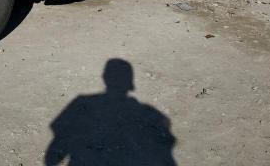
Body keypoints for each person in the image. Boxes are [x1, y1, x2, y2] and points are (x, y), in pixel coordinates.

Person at [45, 59, 176, 166]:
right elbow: (164, 152)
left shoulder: (81, 102)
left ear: (104, 77)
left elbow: (59, 139)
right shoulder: (149, 113)